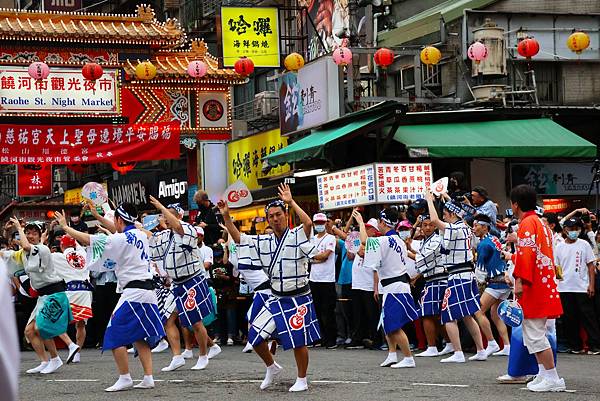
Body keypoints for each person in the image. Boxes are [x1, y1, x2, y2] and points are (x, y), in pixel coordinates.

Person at [219, 183, 320, 392]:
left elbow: (308, 222)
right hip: (275, 296)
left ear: (285, 215)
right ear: (268, 219)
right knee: (255, 337)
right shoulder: (264, 241)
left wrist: (291, 201)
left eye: (278, 214)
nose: (275, 218)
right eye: (271, 216)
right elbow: (239, 239)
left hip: (298, 295)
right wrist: (227, 217)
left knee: (298, 341)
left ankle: (302, 378)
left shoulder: (297, 235)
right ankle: (272, 367)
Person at [56, 204, 165, 392]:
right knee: (140, 336)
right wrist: (99, 216)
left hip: (134, 293)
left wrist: (66, 228)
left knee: (113, 334)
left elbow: (89, 239)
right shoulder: (140, 234)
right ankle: (148, 377)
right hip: (147, 292)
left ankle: (125, 377)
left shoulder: (121, 239)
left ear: (119, 220)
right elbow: (119, 231)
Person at [147, 198, 219, 373]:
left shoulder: (187, 228)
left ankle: (203, 355)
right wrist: (138, 227)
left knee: (195, 321)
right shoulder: (166, 235)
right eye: (165, 215)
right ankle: (177, 357)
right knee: (167, 320)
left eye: (170, 215)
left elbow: (178, 226)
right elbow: (150, 238)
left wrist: (160, 207)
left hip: (192, 280)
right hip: (176, 284)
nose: (166, 217)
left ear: (179, 215)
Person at [510, 184, 565, 392]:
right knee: (534, 332)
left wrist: (519, 282)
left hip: (533, 285)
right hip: (543, 283)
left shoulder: (527, 224)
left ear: (515, 204)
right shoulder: (540, 223)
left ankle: (552, 377)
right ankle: (544, 374)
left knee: (534, 334)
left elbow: (526, 256)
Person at [3, 219, 71, 375]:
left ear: (41, 236)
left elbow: (26, 245)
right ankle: (45, 361)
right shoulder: (23, 254)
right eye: (27, 233)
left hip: (54, 293)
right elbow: (7, 254)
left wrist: (19, 227)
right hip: (42, 296)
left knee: (40, 328)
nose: (30, 235)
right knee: (29, 331)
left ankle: (56, 358)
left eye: (34, 233)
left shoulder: (42, 249)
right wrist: (7, 233)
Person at [354, 208, 420, 369]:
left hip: (395, 286)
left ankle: (408, 357)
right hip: (394, 286)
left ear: (383, 222)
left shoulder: (384, 241)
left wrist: (361, 223)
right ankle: (392, 354)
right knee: (386, 322)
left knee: (393, 325)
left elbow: (364, 242)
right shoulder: (398, 241)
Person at [425, 192, 486, 363]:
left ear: (452, 214)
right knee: (467, 315)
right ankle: (481, 349)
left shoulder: (456, 227)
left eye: (445, 214)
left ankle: (458, 352)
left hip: (458, 276)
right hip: (466, 275)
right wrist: (445, 197)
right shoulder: (465, 227)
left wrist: (430, 201)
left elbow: (435, 221)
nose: (443, 217)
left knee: (448, 315)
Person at [554, 217, 600, 354]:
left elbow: (591, 266)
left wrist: (591, 285)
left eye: (577, 229)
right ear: (565, 230)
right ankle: (575, 345)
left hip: (582, 287)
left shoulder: (584, 244)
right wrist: (559, 283)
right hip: (565, 288)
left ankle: (594, 345)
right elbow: (557, 267)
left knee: (588, 317)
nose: (574, 231)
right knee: (569, 318)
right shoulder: (559, 246)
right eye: (571, 229)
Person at [407, 214, 447, 357]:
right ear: (421, 227)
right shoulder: (426, 241)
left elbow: (424, 259)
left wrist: (407, 252)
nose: (428, 227)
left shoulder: (436, 240)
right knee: (435, 315)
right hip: (433, 280)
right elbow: (421, 256)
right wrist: (409, 250)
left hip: (437, 279)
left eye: (431, 224)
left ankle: (432, 347)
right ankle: (448, 343)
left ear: (435, 226)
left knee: (427, 314)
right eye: (425, 225)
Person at [472, 214, 511, 357]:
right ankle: (506, 345)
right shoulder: (494, 239)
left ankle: (492, 343)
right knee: (495, 314)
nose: (474, 228)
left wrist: (477, 283)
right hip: (505, 282)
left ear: (484, 227)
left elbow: (480, 271)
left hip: (495, 282)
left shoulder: (483, 244)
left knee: (478, 311)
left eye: (476, 225)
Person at [53, 235, 93, 364]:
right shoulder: (83, 254)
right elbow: (77, 244)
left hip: (71, 291)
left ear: (61, 246)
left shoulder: (58, 257)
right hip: (86, 292)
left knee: (56, 321)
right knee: (80, 324)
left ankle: (71, 345)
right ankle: (77, 354)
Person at [346, 218, 380, 350]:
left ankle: (375, 339)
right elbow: (350, 256)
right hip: (357, 283)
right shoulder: (359, 241)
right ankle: (359, 338)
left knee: (371, 314)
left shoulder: (376, 242)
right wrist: (351, 242)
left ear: (375, 230)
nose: (365, 230)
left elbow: (363, 254)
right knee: (358, 313)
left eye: (368, 228)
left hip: (369, 284)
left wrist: (376, 288)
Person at [308, 213, 338, 349]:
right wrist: (315, 258)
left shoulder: (331, 238)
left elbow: (325, 256)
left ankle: (331, 340)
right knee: (317, 310)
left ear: (326, 223)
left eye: (322, 222)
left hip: (327, 280)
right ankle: (319, 338)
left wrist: (312, 258)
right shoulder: (312, 239)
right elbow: (307, 257)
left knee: (328, 311)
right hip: (313, 279)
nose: (319, 225)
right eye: (317, 223)